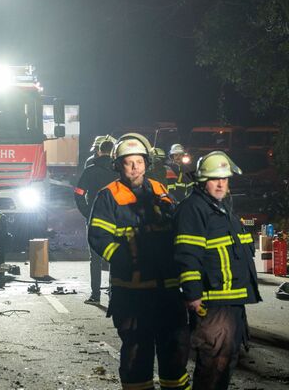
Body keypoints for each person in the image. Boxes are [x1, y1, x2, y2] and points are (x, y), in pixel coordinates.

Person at [88, 133, 190, 390]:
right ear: (118, 165)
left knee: (175, 353)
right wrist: (126, 260)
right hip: (132, 293)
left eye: (139, 162)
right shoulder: (108, 196)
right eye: (128, 162)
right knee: (136, 356)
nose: (134, 168)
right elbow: (98, 237)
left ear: (146, 163)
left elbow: (176, 227)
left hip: (167, 291)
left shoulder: (160, 190)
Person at [173, 151, 261, 389]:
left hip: (231, 301)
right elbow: (187, 254)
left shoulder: (223, 210)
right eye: (214, 178)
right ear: (203, 181)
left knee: (225, 364)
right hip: (212, 303)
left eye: (224, 178)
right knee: (213, 366)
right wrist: (193, 295)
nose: (221, 183)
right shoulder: (194, 209)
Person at [74, 138, 118, 304]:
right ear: (113, 152)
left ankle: (95, 296)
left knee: (96, 259)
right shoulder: (119, 171)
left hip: (95, 220)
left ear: (98, 151)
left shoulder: (90, 171)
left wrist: (87, 212)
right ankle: (114, 294)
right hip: (115, 220)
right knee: (115, 257)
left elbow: (78, 193)